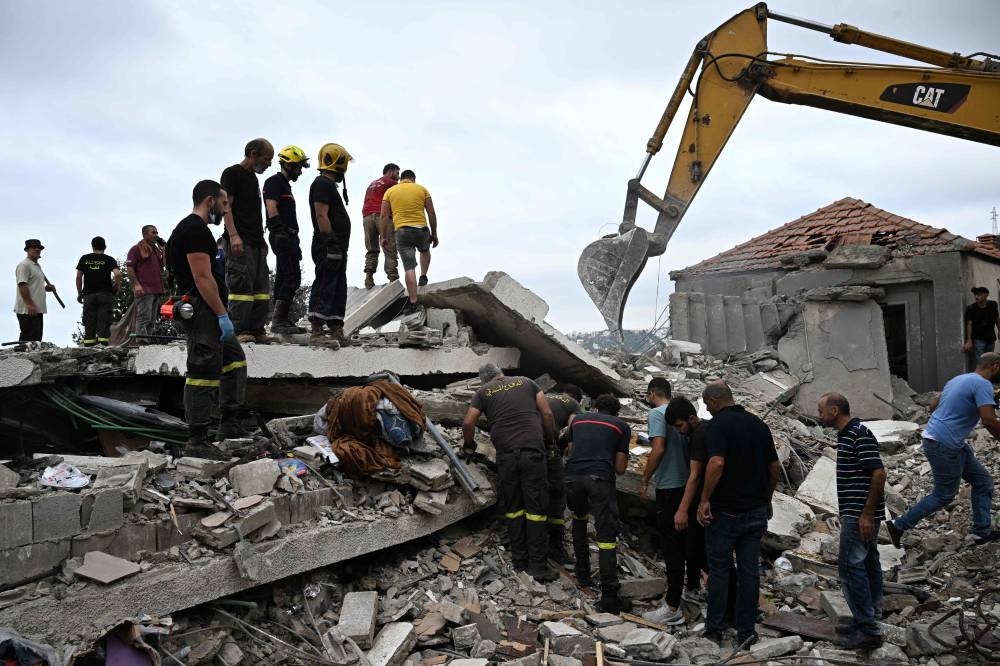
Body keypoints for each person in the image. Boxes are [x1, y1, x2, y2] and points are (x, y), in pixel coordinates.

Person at [885, 354, 1000, 547]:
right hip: (944, 444)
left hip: (942, 440)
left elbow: (932, 406)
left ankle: (982, 532)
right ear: (995, 366)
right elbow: (988, 419)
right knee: (944, 495)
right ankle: (898, 525)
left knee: (983, 482)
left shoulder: (958, 379)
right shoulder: (982, 385)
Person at [165, 180, 247, 448]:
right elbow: (202, 278)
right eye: (223, 204)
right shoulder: (194, 230)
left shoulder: (192, 230)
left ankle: (229, 425)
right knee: (203, 368)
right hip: (203, 309)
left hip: (209, 308)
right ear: (209, 201)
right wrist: (222, 315)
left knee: (234, 360)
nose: (225, 211)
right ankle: (198, 440)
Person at [697, 381, 779, 648]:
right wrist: (766, 500)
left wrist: (705, 499)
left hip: (726, 513)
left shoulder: (717, 426)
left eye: (708, 404)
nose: (707, 410)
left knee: (719, 571)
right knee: (749, 573)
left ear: (716, 401)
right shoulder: (759, 425)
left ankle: (715, 629)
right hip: (755, 512)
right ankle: (746, 632)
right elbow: (774, 467)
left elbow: (717, 462)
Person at [462, 364, 557, 582]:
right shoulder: (527, 381)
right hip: (533, 453)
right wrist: (550, 441)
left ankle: (519, 561)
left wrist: (469, 445)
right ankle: (538, 567)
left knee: (514, 508)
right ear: (500, 372)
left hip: (506, 457)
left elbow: (468, 422)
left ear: (484, 379)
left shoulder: (482, 392)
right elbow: (547, 413)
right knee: (536, 510)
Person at [817, 392, 886, 650]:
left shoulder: (858, 433)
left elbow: (878, 473)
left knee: (850, 566)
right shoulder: (847, 435)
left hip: (859, 514)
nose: (819, 415)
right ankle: (868, 617)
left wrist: (866, 514)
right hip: (857, 512)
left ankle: (868, 628)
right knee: (867, 562)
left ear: (835, 411)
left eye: (821, 410)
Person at [564, 394, 631, 612]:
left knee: (579, 520)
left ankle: (582, 574)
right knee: (606, 537)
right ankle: (610, 597)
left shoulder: (578, 421)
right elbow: (620, 468)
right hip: (599, 480)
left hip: (572, 478)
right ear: (616, 412)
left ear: (594, 407)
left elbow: (570, 450)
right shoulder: (621, 426)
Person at [640, 378, 691, 626]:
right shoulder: (682, 413)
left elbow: (658, 449)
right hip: (688, 486)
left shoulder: (656, 414)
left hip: (669, 487)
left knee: (671, 548)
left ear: (652, 393)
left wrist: (644, 478)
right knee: (689, 543)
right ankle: (691, 590)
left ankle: (672, 606)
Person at [220, 138, 274, 343]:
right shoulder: (232, 173)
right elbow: (227, 207)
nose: (269, 164)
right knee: (241, 285)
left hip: (256, 241)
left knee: (260, 288)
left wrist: (262, 241)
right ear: (253, 154)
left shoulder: (254, 179)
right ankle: (239, 329)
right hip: (239, 240)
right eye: (267, 159)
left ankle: (257, 329)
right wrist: (233, 235)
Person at [664, 396, 711, 603]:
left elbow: (696, 475)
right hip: (712, 502)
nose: (679, 431)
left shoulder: (700, 435)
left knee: (699, 551)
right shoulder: (703, 431)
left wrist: (683, 509)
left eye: (680, 425)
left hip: (708, 504)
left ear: (692, 418)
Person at [307, 143, 353, 348]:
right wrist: (331, 243)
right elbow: (321, 215)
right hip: (328, 246)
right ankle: (317, 330)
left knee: (337, 287)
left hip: (338, 247)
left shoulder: (328, 186)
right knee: (326, 283)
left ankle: (335, 328)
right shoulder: (322, 184)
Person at [263, 145, 309, 335]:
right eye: (297, 167)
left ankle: (281, 319)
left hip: (289, 236)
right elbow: (271, 206)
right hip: (282, 235)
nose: (299, 171)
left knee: (284, 276)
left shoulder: (285, 185)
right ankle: (279, 320)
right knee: (292, 277)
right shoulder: (274, 182)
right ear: (288, 165)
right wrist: (279, 230)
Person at [380, 169, 438, 314]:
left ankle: (413, 302)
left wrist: (383, 236)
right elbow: (431, 212)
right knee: (424, 250)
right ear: (413, 179)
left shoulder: (390, 192)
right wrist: (434, 233)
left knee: (409, 268)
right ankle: (423, 276)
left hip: (402, 231)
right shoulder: (422, 189)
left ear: (402, 179)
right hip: (421, 229)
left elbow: (384, 216)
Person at [544, 384, 584, 566]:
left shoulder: (545, 396)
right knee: (558, 494)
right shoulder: (574, 404)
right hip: (547, 451)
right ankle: (554, 546)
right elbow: (572, 430)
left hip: (521, 443)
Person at [75, 236, 121, 347]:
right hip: (105, 294)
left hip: (89, 295)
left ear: (92, 246)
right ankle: (103, 344)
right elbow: (118, 274)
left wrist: (79, 293)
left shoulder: (84, 259)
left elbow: (78, 277)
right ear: (104, 246)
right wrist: (116, 287)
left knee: (89, 320)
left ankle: (89, 345)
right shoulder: (109, 259)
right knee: (104, 319)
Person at [362, 164, 400, 288]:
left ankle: (369, 278)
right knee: (389, 246)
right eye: (397, 173)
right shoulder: (391, 183)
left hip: (367, 217)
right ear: (391, 171)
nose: (398, 177)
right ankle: (393, 278)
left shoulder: (372, 183)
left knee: (372, 249)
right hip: (382, 216)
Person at [125, 225, 165, 341]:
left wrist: (163, 250)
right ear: (145, 234)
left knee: (152, 319)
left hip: (156, 289)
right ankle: (141, 343)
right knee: (144, 317)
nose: (156, 235)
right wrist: (136, 285)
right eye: (153, 232)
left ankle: (149, 343)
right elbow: (130, 268)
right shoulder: (136, 249)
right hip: (144, 289)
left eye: (157, 232)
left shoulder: (156, 249)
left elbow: (164, 265)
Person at [14, 239, 54, 342]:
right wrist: (30, 305)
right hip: (27, 310)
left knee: (36, 339)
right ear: (27, 250)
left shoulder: (37, 266)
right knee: (28, 339)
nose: (37, 249)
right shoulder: (24, 265)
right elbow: (22, 285)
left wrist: (46, 289)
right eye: (33, 247)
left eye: (39, 247)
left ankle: (28, 357)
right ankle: (20, 357)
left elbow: (33, 286)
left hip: (37, 309)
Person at [964, 287, 1000, 365]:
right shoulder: (971, 308)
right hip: (978, 339)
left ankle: (988, 377)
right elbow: (969, 324)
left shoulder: (993, 305)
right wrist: (969, 340)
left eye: (979, 295)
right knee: (980, 362)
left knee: (990, 360)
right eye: (975, 295)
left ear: (986, 295)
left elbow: (996, 318)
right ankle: (980, 376)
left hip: (991, 338)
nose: (976, 297)